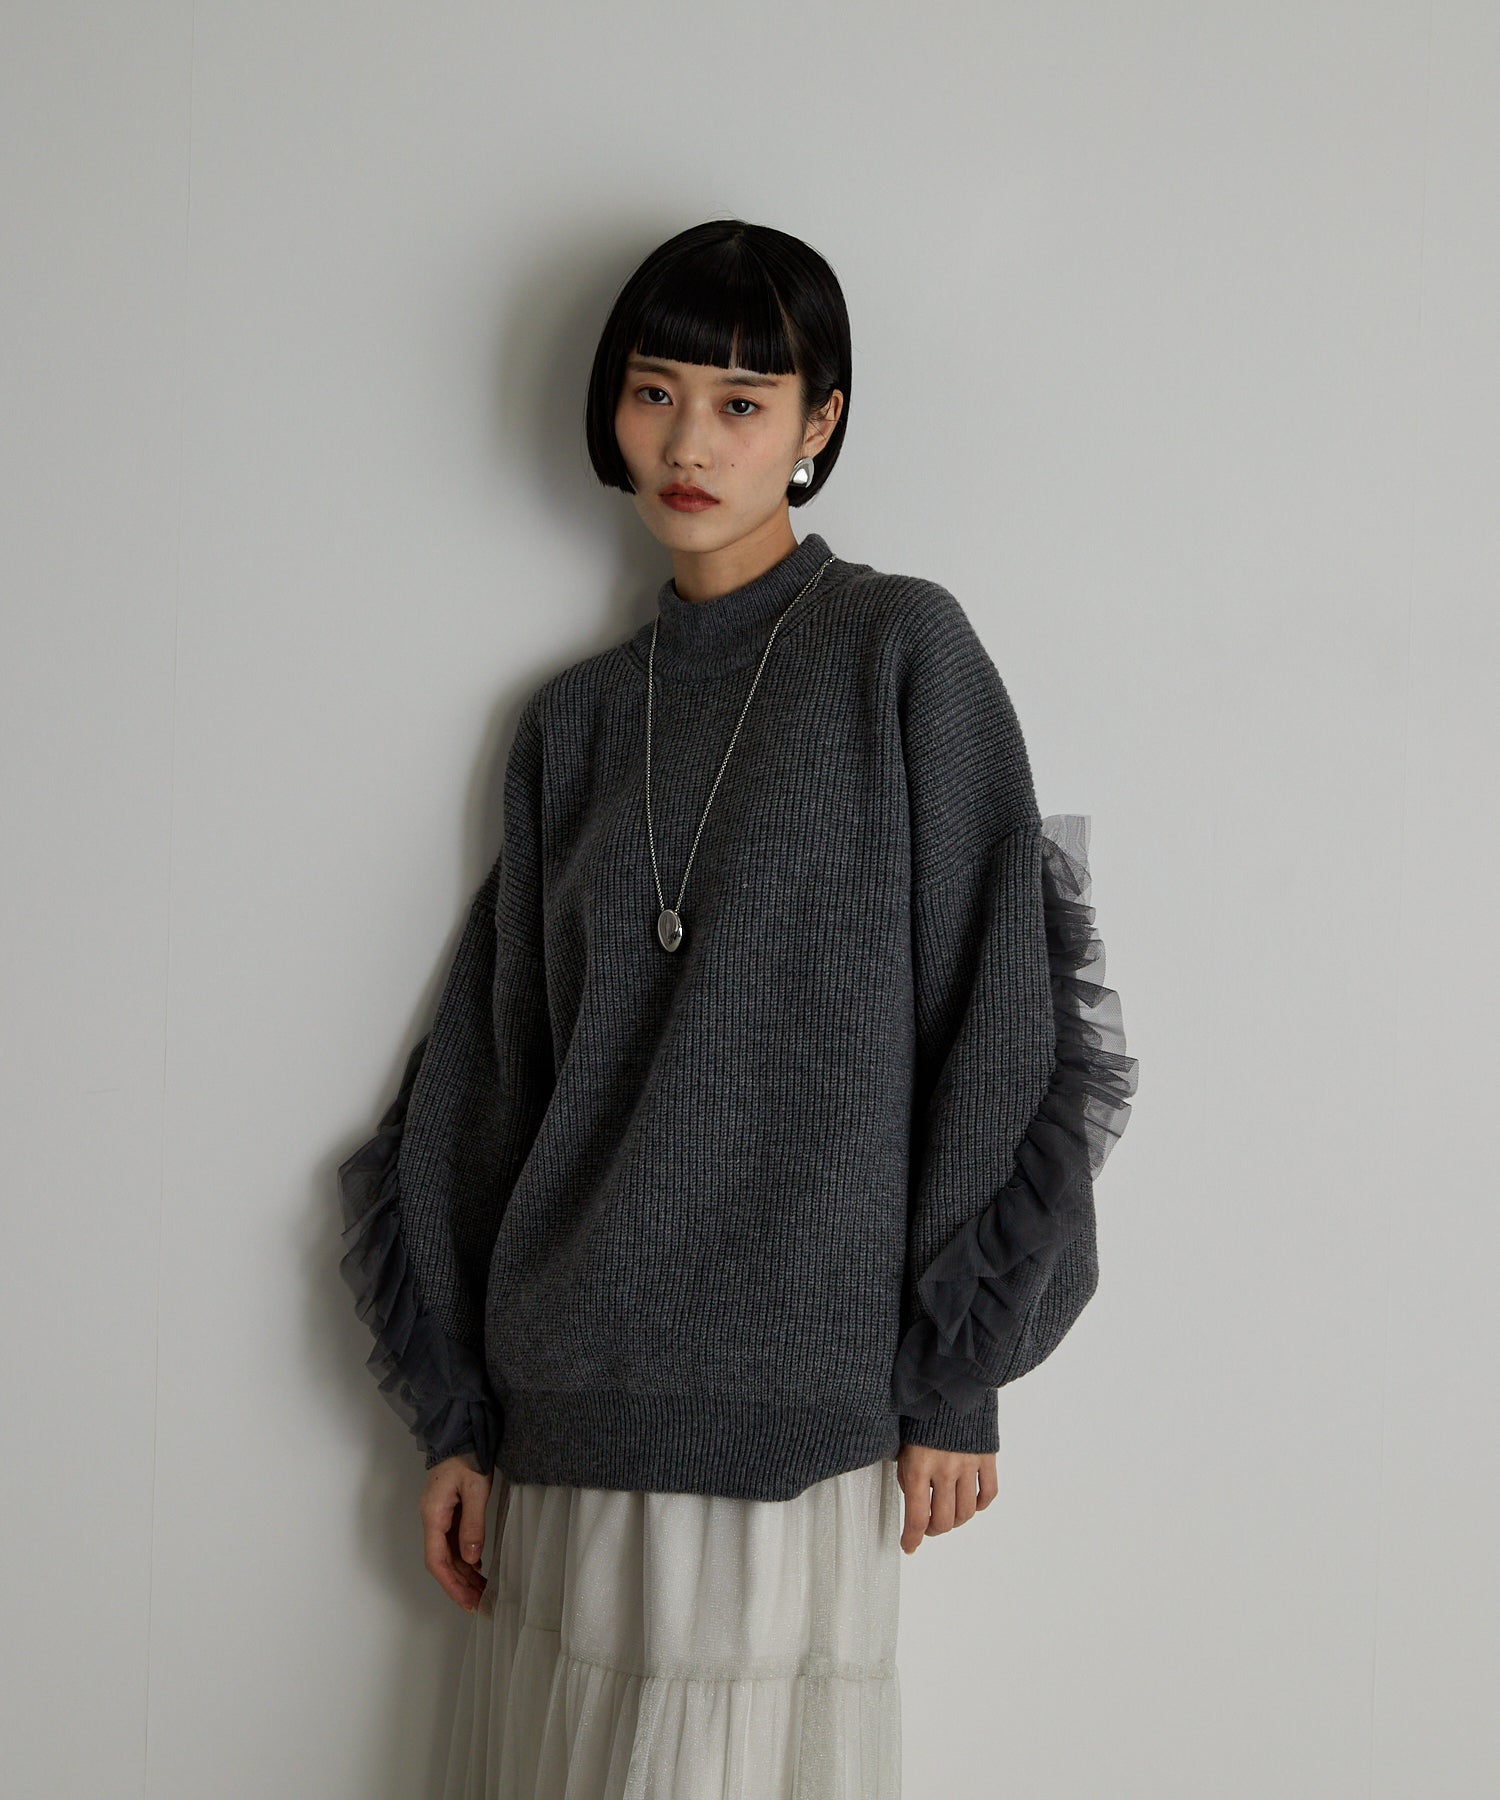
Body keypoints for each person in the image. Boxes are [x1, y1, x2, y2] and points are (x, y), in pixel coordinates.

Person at [337, 217, 1137, 1800]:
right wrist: (459, 1419)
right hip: (570, 1414)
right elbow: (497, 1070)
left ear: (818, 421)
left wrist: (959, 1369)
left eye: (741, 402)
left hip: (797, 1406)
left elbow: (998, 1004)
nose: (690, 442)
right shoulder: (573, 724)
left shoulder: (902, 652)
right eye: (654, 391)